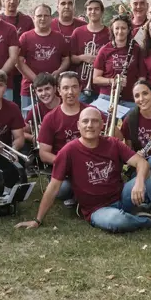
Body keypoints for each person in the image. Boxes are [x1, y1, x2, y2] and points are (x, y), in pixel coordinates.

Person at [15, 107, 151, 240]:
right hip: (97, 210)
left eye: (95, 121)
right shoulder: (68, 151)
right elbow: (53, 187)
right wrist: (38, 220)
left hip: (122, 197)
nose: (90, 125)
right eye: (86, 121)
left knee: (148, 177)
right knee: (117, 221)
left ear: (102, 126)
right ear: (79, 126)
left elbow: (141, 162)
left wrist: (139, 182)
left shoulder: (112, 143)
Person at [37, 72, 92, 205]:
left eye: (74, 87)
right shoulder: (50, 118)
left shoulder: (90, 110)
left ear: (80, 88)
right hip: (64, 169)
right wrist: (68, 165)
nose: (70, 92)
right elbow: (43, 154)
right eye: (66, 88)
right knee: (63, 190)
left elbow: (114, 136)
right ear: (59, 90)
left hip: (89, 164)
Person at [17, 4, 70, 109]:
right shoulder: (25, 37)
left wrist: (59, 71)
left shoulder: (59, 37)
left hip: (53, 88)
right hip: (30, 88)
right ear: (33, 17)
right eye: (39, 16)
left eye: (46, 16)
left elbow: (66, 59)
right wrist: (36, 80)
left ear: (51, 18)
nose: (42, 18)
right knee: (30, 122)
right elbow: (18, 62)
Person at [93, 14, 143, 112]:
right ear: (112, 29)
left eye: (123, 28)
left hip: (130, 99)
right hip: (107, 98)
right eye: (117, 28)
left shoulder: (136, 49)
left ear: (129, 30)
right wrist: (112, 81)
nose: (120, 31)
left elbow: (142, 76)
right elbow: (95, 79)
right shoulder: (104, 50)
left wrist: (138, 92)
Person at [71, 0, 111, 103]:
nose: (93, 12)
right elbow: (71, 58)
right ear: (86, 12)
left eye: (96, 9)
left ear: (102, 12)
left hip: (103, 87)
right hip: (82, 86)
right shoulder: (78, 32)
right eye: (90, 9)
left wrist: (98, 59)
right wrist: (83, 57)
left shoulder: (110, 33)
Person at [2, 0, 35, 101]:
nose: (12, 2)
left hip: (21, 72)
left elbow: (32, 42)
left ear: (19, 1)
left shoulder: (27, 20)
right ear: (3, 1)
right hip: (4, 70)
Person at [23, 73, 60, 147]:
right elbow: (21, 132)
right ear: (36, 93)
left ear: (55, 89)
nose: (44, 93)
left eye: (47, 88)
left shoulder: (64, 105)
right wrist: (33, 138)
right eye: (40, 90)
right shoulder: (37, 109)